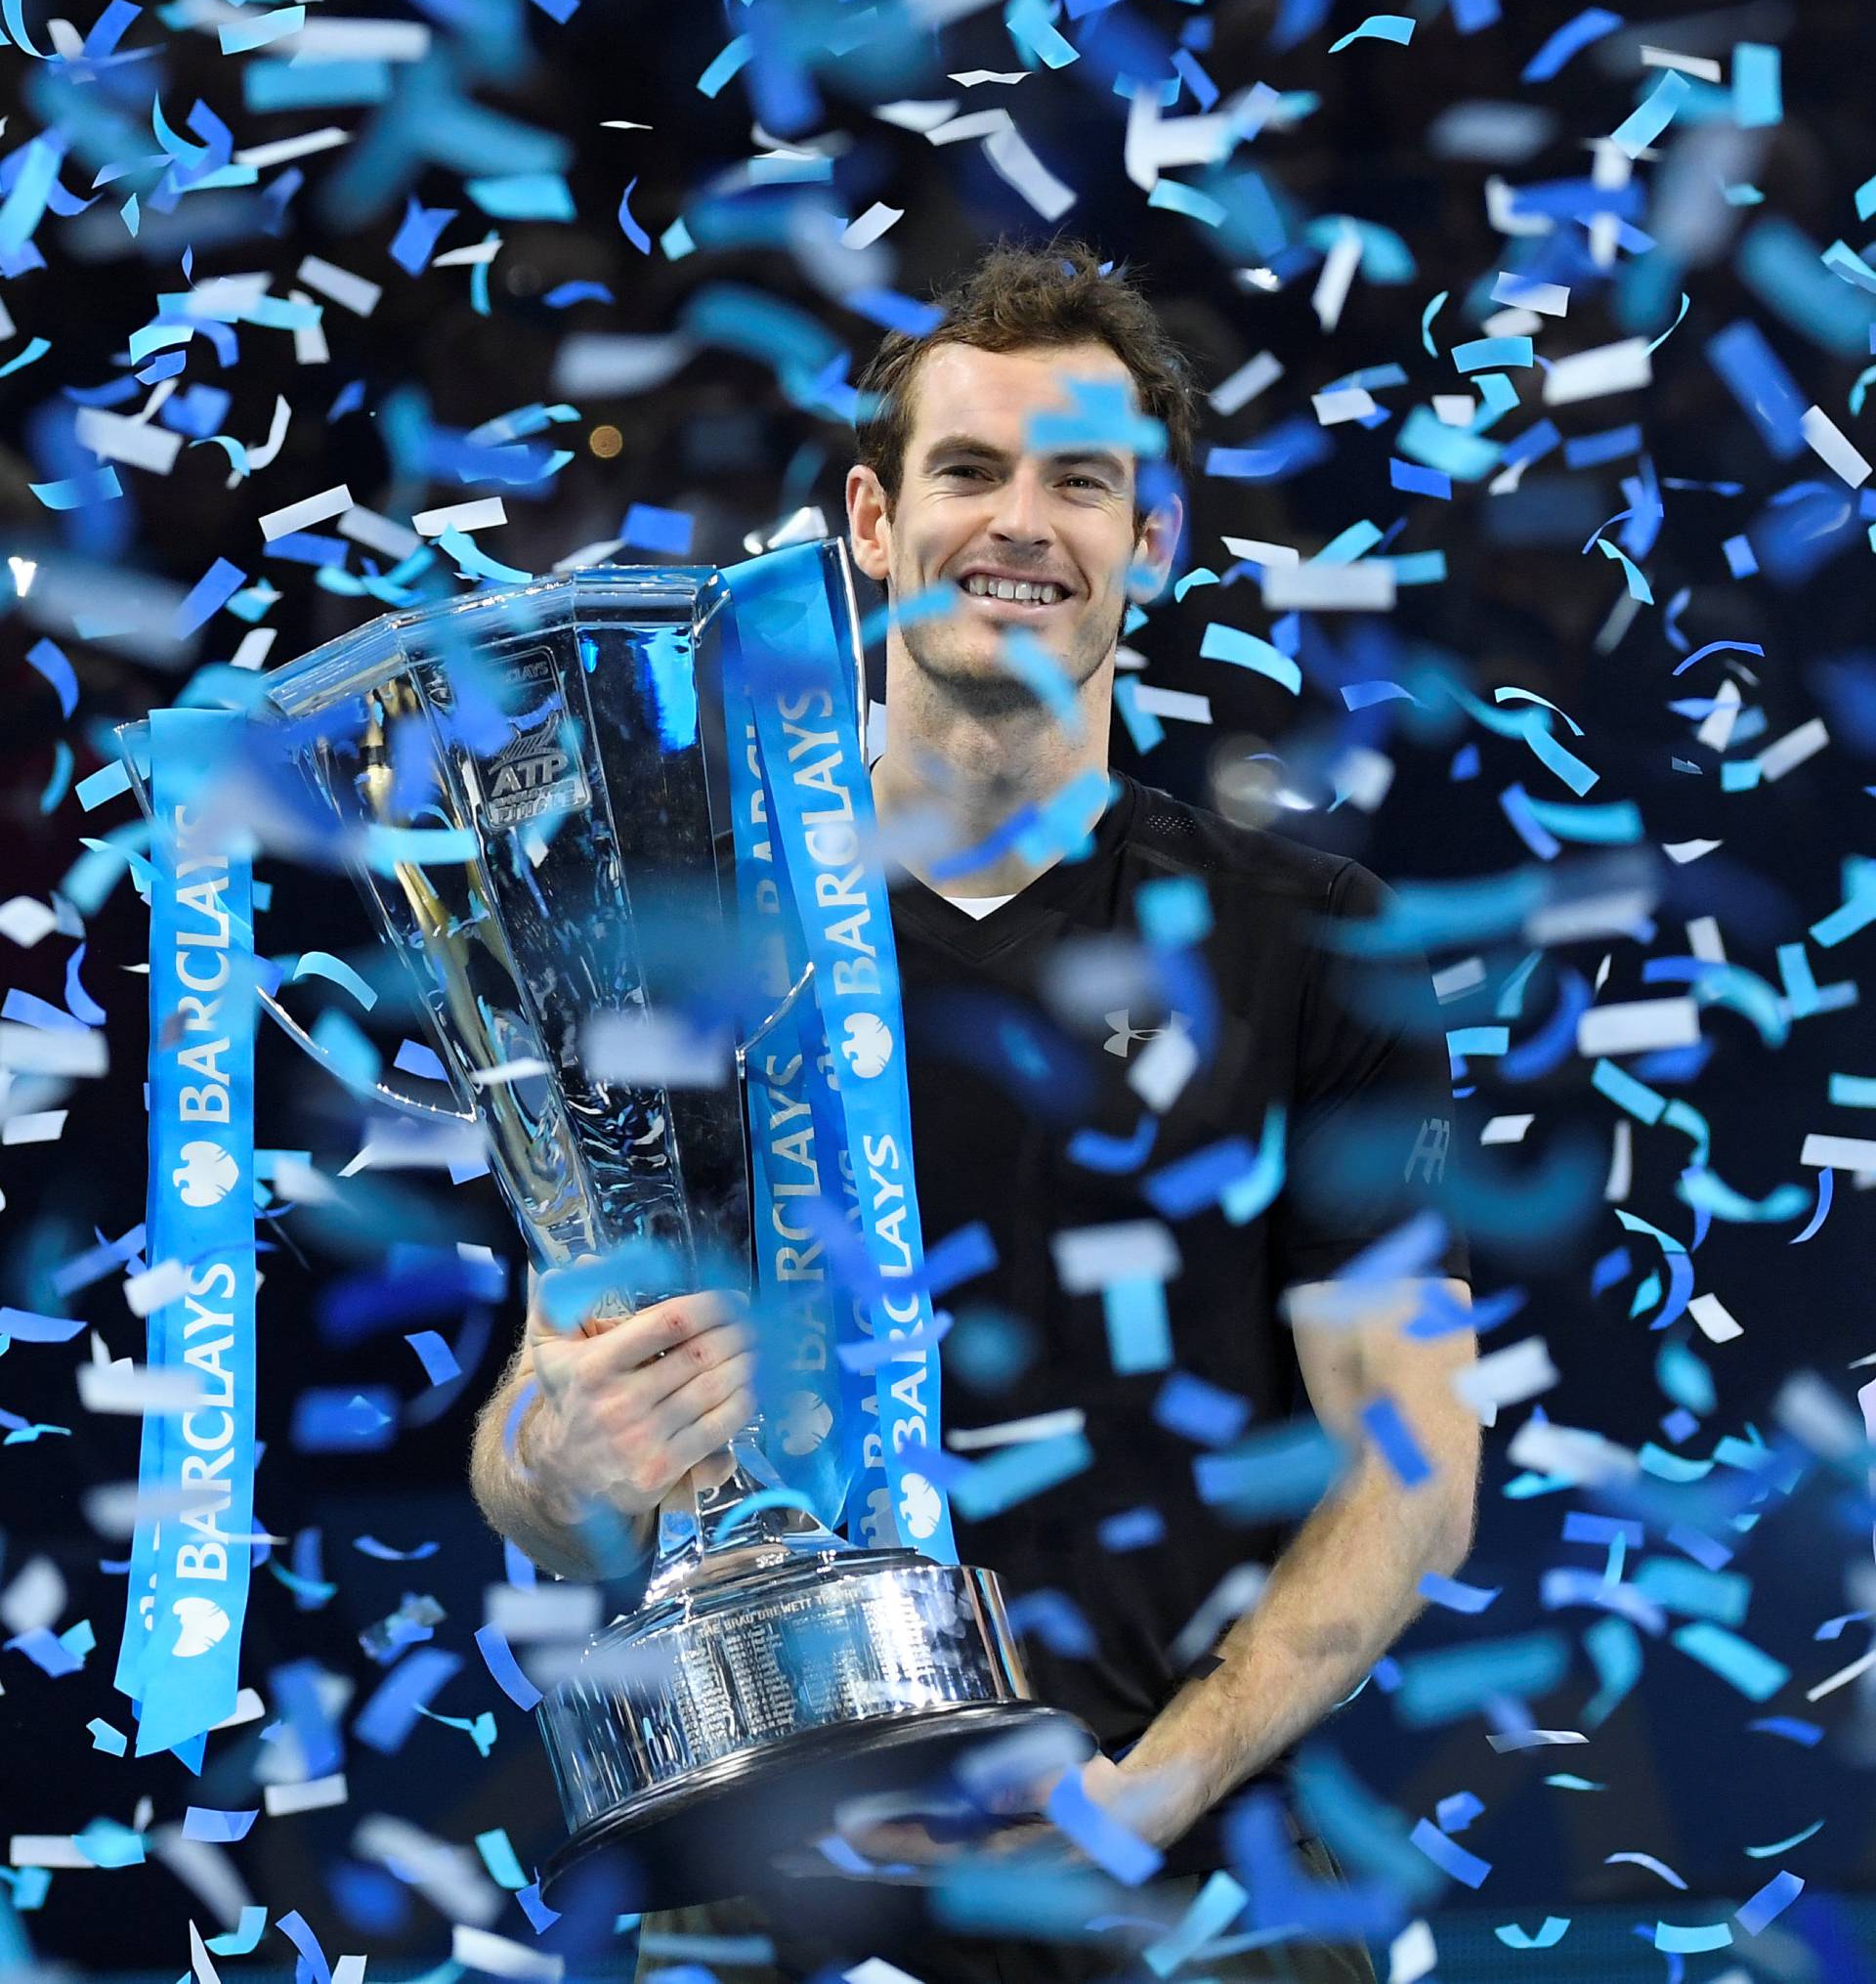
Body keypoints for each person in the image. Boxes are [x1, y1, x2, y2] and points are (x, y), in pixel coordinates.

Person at [469, 237, 1481, 1983]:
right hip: (769, 1887)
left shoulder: (1313, 941)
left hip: (1187, 1881)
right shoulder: (682, 935)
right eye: (970, 469)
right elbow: (536, 1451)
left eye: (1083, 480)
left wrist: (1150, 1790)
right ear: (873, 520)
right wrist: (560, 1458)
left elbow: (1418, 1461)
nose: (1023, 521)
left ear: (1150, 545)